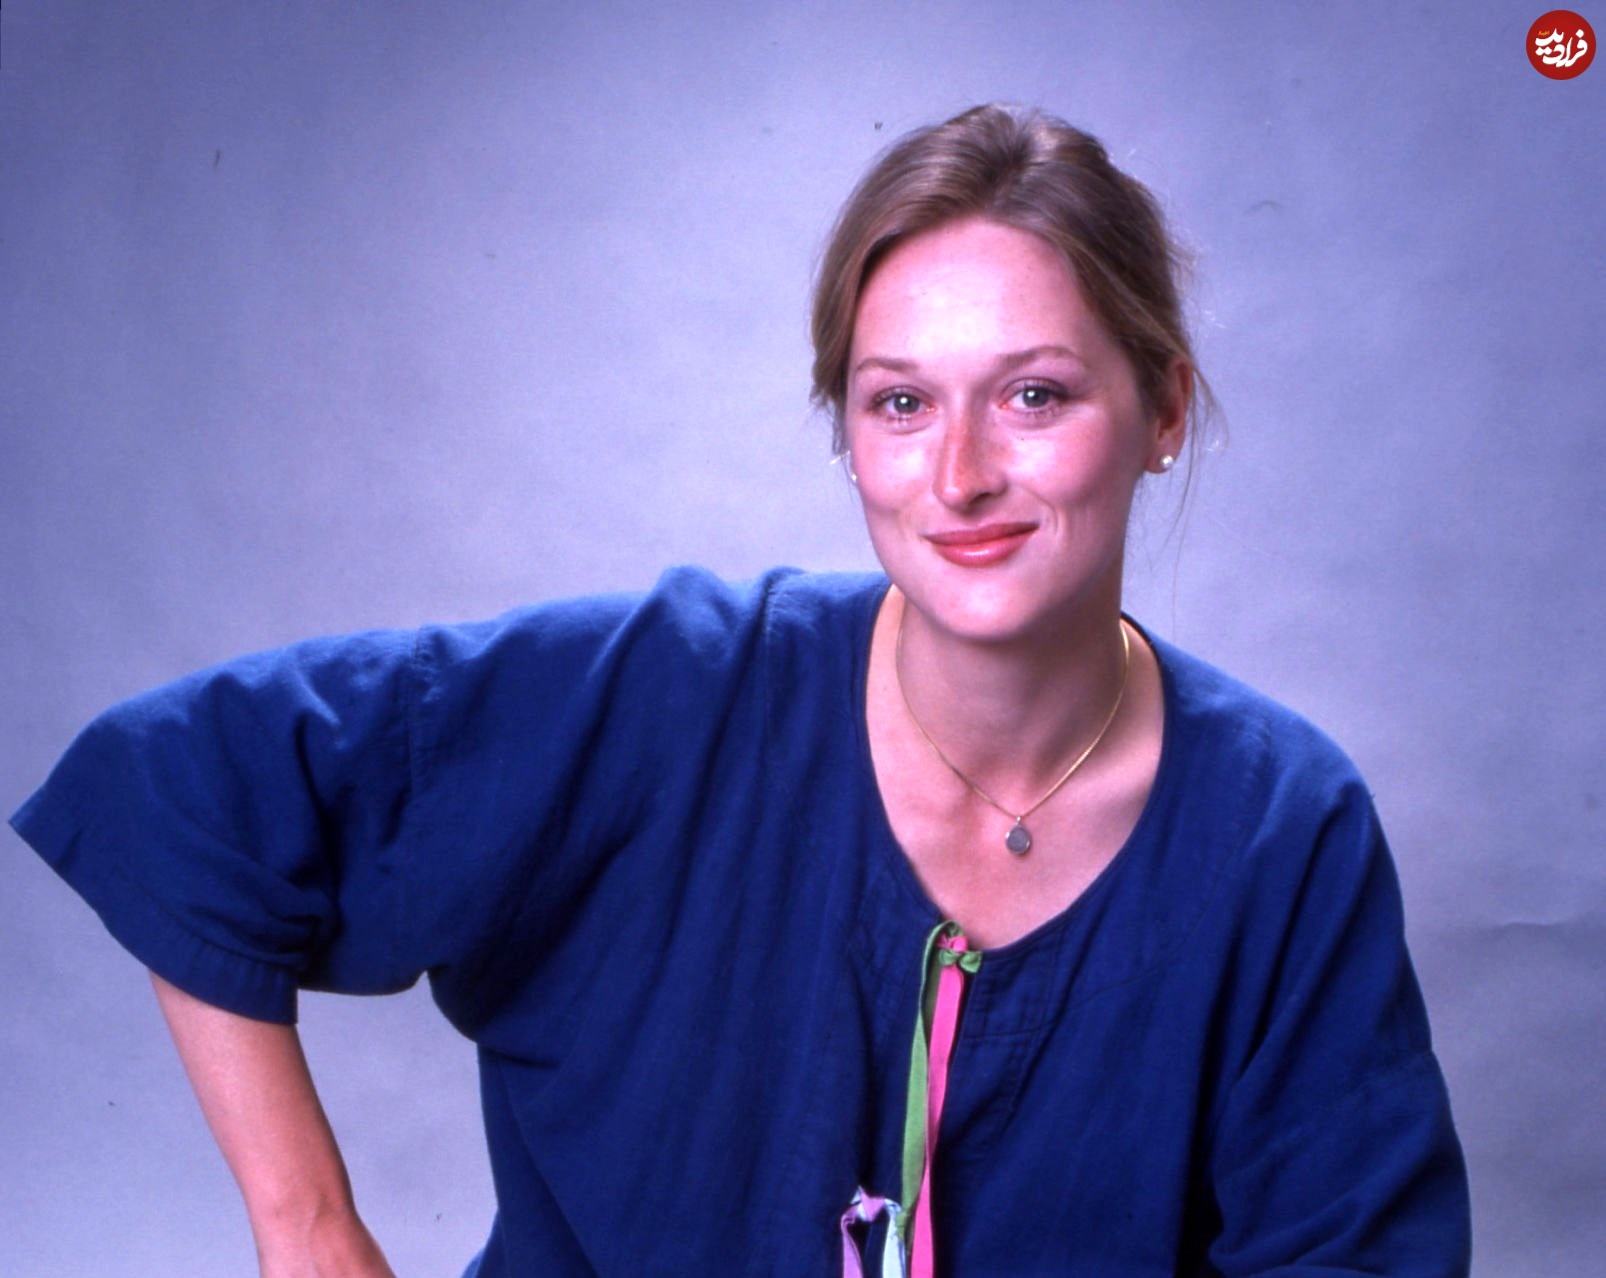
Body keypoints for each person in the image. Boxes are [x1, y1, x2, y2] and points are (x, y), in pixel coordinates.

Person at [11, 104, 1470, 1277]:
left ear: (1160, 409)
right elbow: (186, 788)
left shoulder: (1280, 831)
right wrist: (312, 1231)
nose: (960, 472)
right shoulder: (668, 699)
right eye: (900, 401)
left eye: (1034, 394)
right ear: (849, 430)